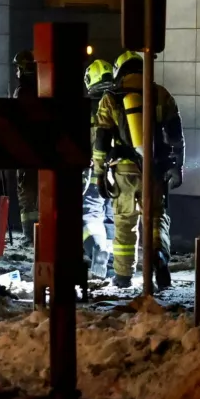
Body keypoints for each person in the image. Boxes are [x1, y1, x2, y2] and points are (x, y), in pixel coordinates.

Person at [92, 51, 184, 290]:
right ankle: (159, 259)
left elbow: (101, 140)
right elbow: (175, 137)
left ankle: (123, 275)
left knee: (124, 221)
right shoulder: (160, 94)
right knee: (156, 218)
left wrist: (100, 173)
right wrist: (177, 168)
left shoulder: (110, 97)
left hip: (124, 171)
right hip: (155, 169)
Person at [83, 59, 116, 279]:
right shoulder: (119, 102)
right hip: (120, 171)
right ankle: (113, 262)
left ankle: (97, 248)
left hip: (93, 171)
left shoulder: (85, 108)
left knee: (90, 214)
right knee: (112, 217)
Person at [13, 50, 38, 244]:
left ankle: (30, 235)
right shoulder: (46, 88)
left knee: (26, 195)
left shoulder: (21, 92)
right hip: (45, 151)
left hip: (25, 151)